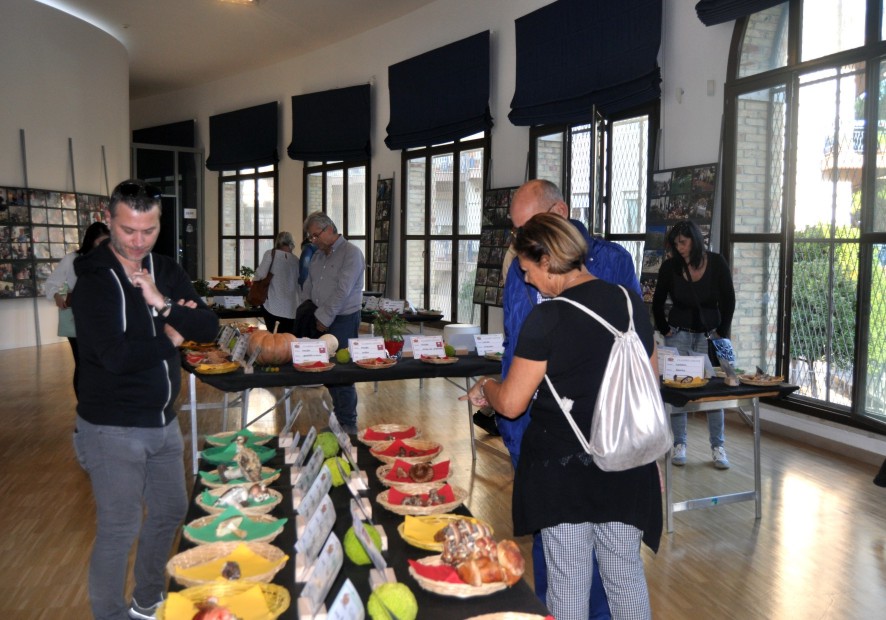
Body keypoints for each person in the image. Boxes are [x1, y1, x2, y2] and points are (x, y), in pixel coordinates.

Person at [462, 213, 662, 620]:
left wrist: (487, 387)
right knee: (625, 575)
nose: (528, 280)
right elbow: (650, 384)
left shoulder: (548, 318)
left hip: (563, 470)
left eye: (528, 270)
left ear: (548, 260)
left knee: (568, 579)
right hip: (625, 462)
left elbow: (512, 403)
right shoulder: (630, 303)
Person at [71, 179, 219, 620]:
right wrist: (171, 337)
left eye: (149, 230)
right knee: (120, 528)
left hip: (162, 421)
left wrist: (163, 303)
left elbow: (208, 328)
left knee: (171, 509)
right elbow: (116, 358)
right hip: (111, 427)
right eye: (128, 230)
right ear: (109, 220)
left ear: (159, 223)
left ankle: (147, 600)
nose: (138, 241)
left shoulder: (166, 271)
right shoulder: (93, 283)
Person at [498, 179, 642, 617]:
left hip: (598, 445)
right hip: (543, 438)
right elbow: (513, 347)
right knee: (576, 567)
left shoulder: (612, 264)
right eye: (516, 230)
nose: (521, 243)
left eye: (529, 228)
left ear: (559, 213)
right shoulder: (519, 271)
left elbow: (636, 372)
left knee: (585, 578)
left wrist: (492, 393)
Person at [651, 219, 736, 469]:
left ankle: (718, 446)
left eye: (683, 242)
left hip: (708, 336)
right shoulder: (670, 267)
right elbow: (657, 301)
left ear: (695, 241)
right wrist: (664, 328)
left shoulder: (716, 263)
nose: (679, 248)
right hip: (678, 334)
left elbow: (729, 299)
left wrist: (721, 331)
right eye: (675, 244)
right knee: (680, 391)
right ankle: (679, 444)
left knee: (713, 392)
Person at [301, 211, 365, 434]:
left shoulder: (351, 253)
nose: (313, 241)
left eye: (315, 235)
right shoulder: (318, 256)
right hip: (319, 318)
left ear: (329, 229)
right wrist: (307, 310)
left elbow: (342, 291)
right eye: (311, 237)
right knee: (327, 370)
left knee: (342, 372)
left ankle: (349, 424)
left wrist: (324, 317)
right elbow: (309, 286)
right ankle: (339, 420)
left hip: (343, 319)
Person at [44, 221, 109, 398]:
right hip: (76, 316)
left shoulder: (109, 259)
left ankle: (99, 400)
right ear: (91, 240)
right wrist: (57, 296)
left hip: (102, 317)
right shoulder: (72, 259)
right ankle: (84, 403)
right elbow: (51, 283)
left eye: (107, 242)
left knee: (102, 361)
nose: (103, 246)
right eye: (100, 242)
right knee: (82, 362)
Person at [254, 231, 300, 334]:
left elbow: (260, 274)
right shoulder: (296, 260)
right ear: (292, 244)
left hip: (273, 306)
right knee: (287, 339)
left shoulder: (270, 254)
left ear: (278, 242)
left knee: (274, 337)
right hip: (292, 308)